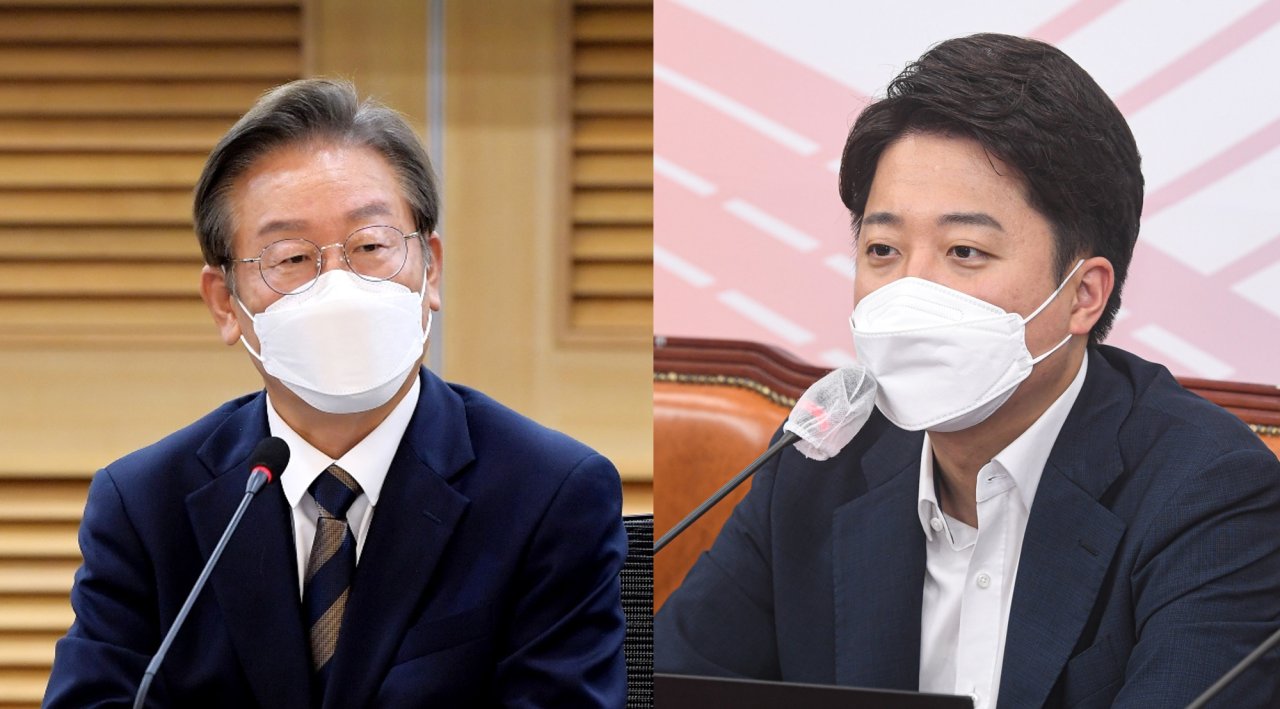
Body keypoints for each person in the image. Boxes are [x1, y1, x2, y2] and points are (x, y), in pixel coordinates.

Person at [655, 33, 1280, 708]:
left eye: (965, 251)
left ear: (1083, 294)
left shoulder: (1211, 494)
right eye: (883, 248)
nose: (910, 290)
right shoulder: (818, 461)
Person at [45, 79, 627, 708]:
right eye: (291, 258)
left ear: (430, 269)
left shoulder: (549, 494)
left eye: (370, 247)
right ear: (226, 304)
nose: (339, 288)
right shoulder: (143, 506)